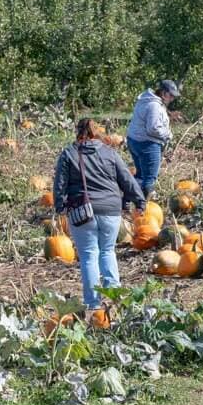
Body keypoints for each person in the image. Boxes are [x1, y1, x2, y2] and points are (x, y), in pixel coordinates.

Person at [53, 119, 145, 315]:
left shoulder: (69, 154)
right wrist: (139, 201)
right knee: (108, 252)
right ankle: (115, 299)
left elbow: (59, 184)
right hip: (111, 210)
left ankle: (93, 304)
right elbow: (127, 179)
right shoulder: (109, 153)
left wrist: (60, 206)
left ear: (78, 133)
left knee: (88, 255)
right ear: (97, 133)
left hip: (81, 211)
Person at [126, 79, 177, 198]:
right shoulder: (154, 105)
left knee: (140, 176)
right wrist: (168, 134)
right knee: (149, 180)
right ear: (164, 93)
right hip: (147, 144)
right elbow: (153, 128)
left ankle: (127, 202)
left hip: (134, 141)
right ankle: (146, 208)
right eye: (171, 95)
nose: (172, 99)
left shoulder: (145, 100)